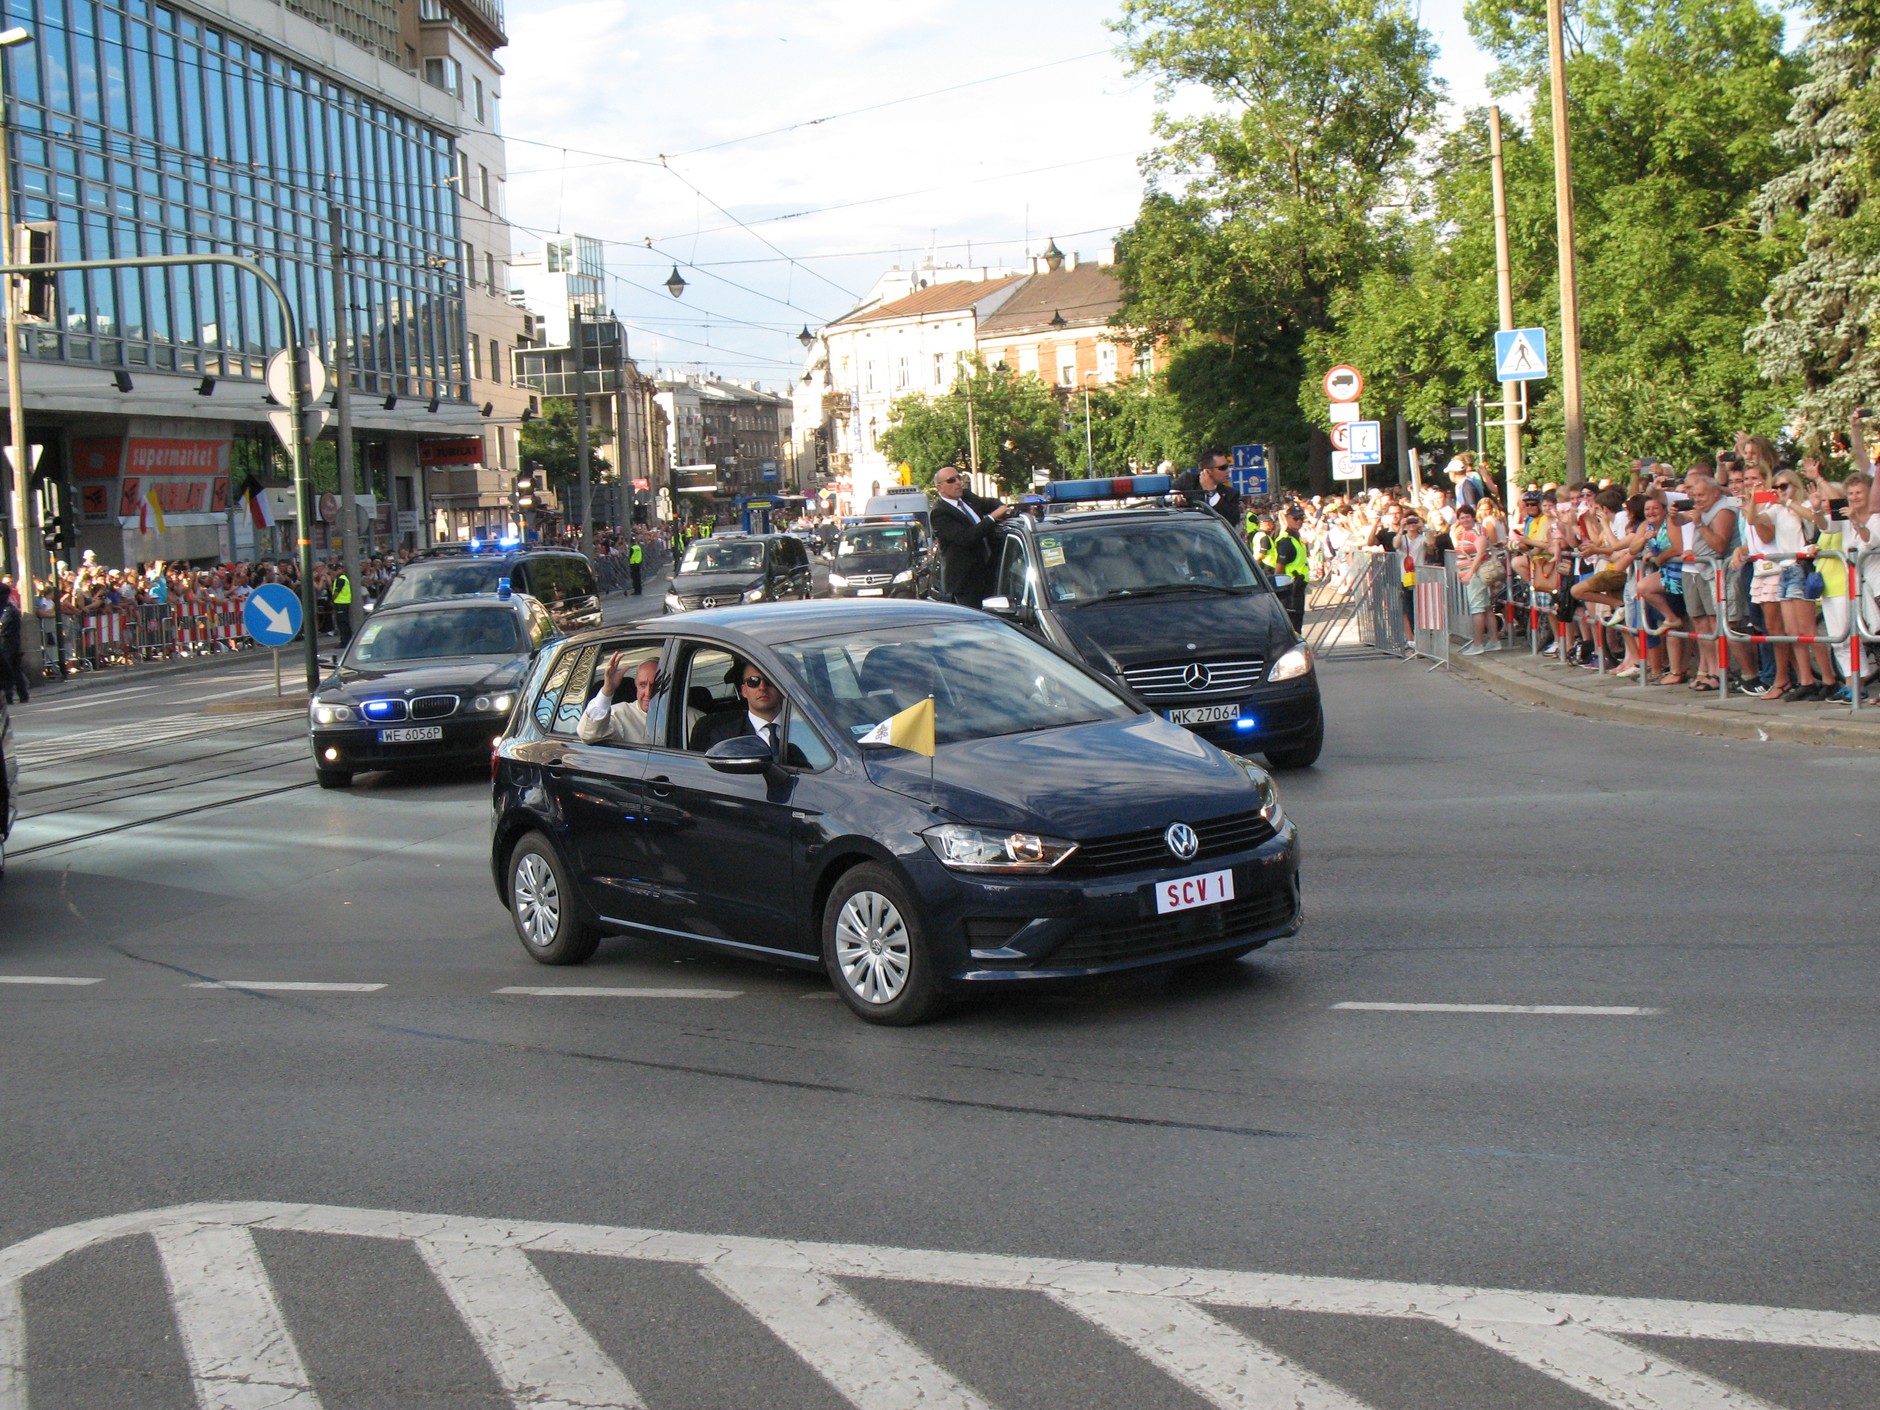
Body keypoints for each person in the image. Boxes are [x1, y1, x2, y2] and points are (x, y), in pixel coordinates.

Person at [930, 465, 1011, 607]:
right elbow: (967, 538)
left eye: (958, 478)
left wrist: (1003, 510)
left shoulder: (967, 497)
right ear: (940, 488)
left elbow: (991, 503)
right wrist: (992, 518)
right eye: (951, 480)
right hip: (965, 583)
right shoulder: (939, 513)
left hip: (989, 575)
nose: (958, 482)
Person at [690, 658, 796, 759]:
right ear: (744, 690)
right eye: (753, 681)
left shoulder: (804, 725)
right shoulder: (723, 736)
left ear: (781, 686)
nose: (762, 687)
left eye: (770, 680)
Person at [578, 654, 657, 745]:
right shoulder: (620, 714)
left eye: (654, 685)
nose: (648, 693)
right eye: (642, 685)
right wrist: (607, 691)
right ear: (635, 685)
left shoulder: (676, 709)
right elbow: (588, 734)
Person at [1172, 448, 1243, 524]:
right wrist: (1174, 494)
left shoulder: (1231, 494)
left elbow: (1232, 520)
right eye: (1223, 468)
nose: (1228, 471)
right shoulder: (1187, 480)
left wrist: (1211, 492)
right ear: (1207, 471)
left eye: (1227, 466)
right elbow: (1165, 495)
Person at [1269, 505, 1310, 631]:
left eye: (1301, 518)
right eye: (1295, 518)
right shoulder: (1286, 541)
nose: (1299, 521)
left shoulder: (1296, 538)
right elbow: (1279, 569)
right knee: (1292, 624)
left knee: (1297, 621)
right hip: (1290, 589)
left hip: (1298, 587)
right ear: (1287, 518)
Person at [0, 582, 27, 704]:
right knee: (14, 670)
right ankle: (19, 694)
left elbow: (3, 627)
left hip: (8, 643)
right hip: (7, 643)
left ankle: (11, 695)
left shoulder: (9, 611)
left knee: (10, 669)